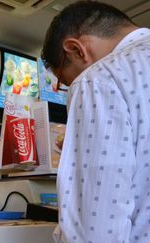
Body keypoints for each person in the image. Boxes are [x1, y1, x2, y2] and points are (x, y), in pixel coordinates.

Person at [41, 1, 150, 242]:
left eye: (64, 82)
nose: (69, 87)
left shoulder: (98, 79)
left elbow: (96, 230)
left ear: (76, 50)